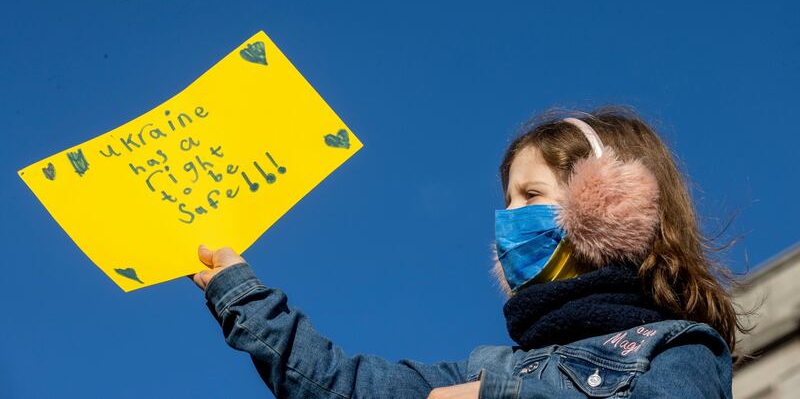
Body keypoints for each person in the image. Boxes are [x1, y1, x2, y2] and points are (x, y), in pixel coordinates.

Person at [191, 106, 744, 398]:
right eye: (506, 202)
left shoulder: (681, 349)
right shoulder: (488, 367)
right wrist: (242, 293)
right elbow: (345, 386)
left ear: (610, 204)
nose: (510, 221)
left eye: (531, 195)